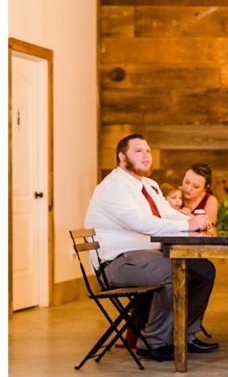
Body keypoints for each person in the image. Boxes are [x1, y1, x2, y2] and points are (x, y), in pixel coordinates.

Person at [84, 134, 217, 362]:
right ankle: (151, 342)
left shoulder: (149, 185)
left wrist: (197, 223)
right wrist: (186, 225)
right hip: (116, 263)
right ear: (122, 157)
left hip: (147, 257)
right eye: (138, 151)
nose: (146, 155)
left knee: (204, 269)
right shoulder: (112, 188)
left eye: (148, 150)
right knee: (172, 269)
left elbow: (167, 213)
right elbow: (142, 224)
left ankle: (184, 335)